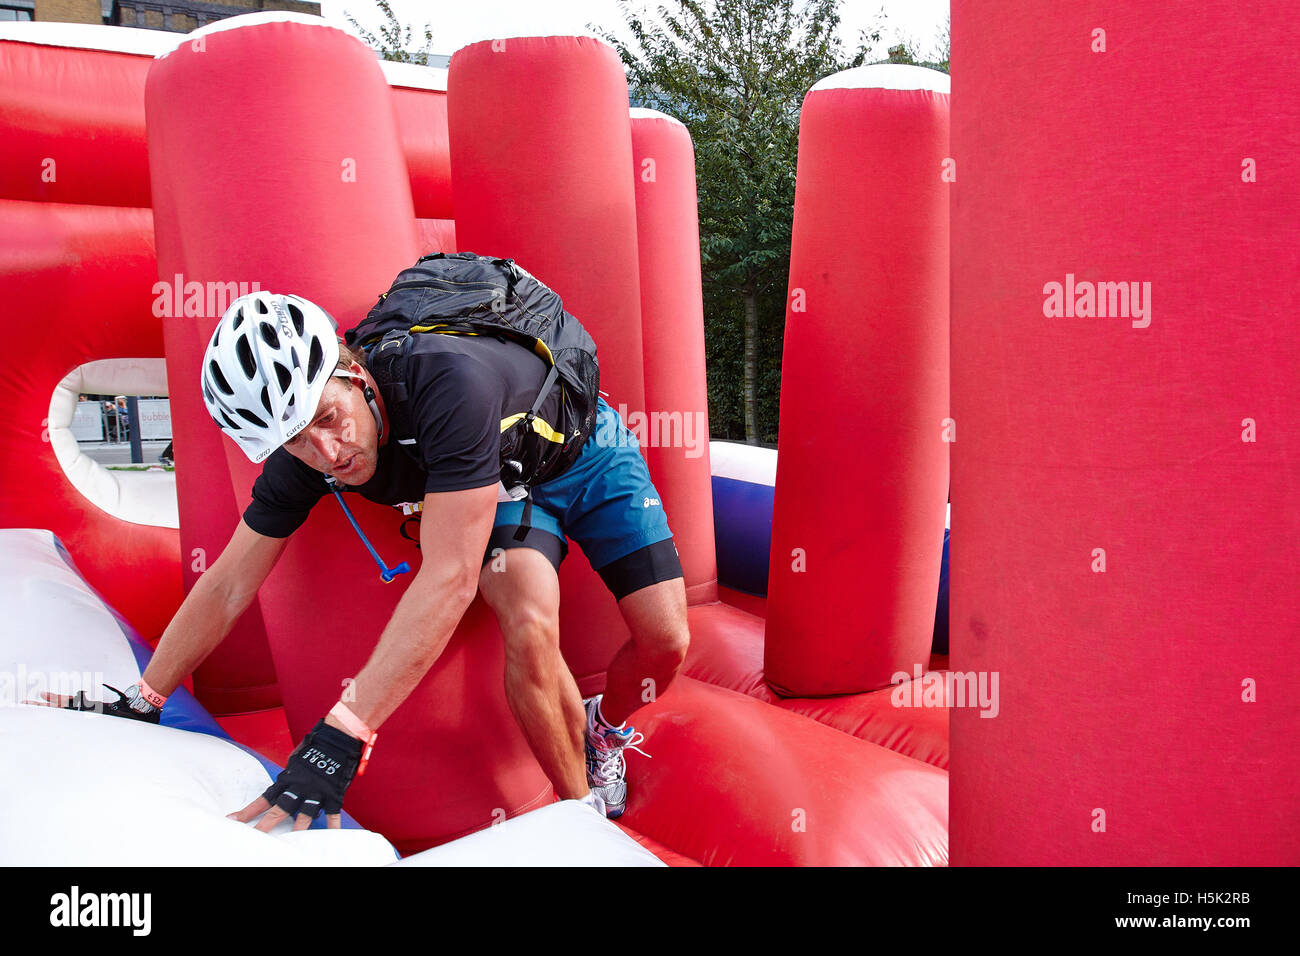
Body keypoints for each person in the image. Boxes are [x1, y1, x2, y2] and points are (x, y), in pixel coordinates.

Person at [46, 281, 690, 830]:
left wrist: (341, 735)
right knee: (528, 624)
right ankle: (582, 822)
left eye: (330, 418)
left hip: (586, 447)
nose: (329, 454)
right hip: (502, 489)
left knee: (666, 641)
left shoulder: (447, 382)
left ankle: (602, 722)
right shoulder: (306, 456)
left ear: (353, 372)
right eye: (298, 443)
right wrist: (146, 698)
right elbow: (229, 582)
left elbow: (448, 578)